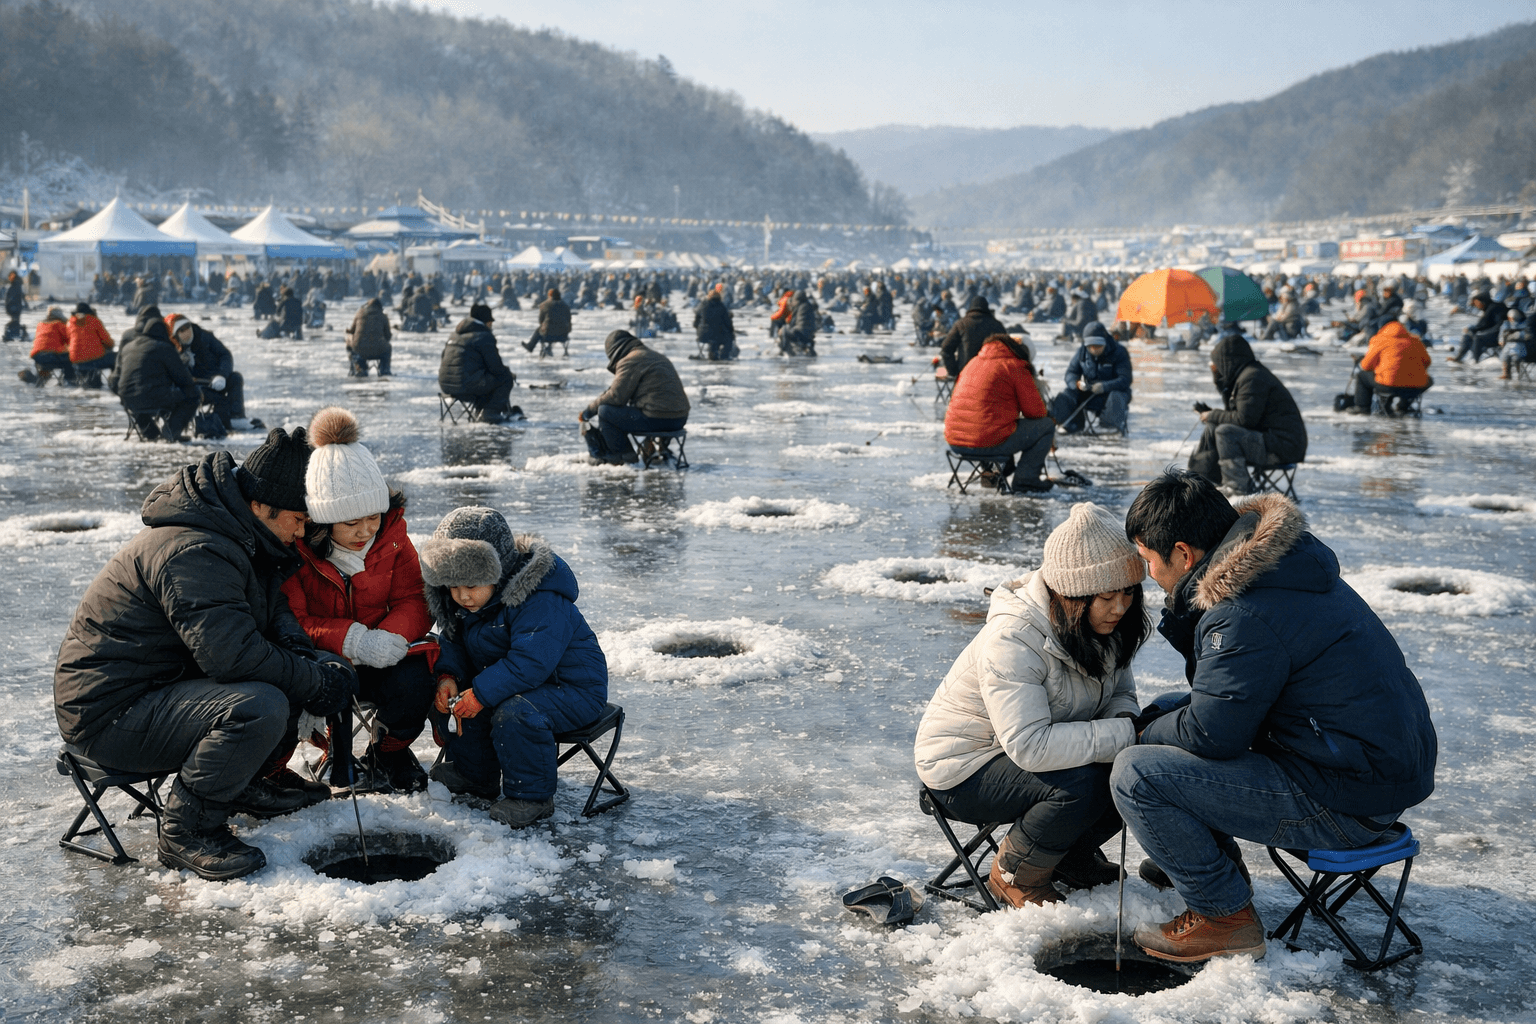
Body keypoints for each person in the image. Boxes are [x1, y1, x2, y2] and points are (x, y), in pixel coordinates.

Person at [1112, 473, 1437, 962]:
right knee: (1170, 709)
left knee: (1136, 772)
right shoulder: (1280, 568)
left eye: (1148, 560)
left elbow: (1211, 734)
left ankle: (1224, 916)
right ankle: (1204, 859)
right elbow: (1218, 699)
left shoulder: (1244, 611)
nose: (1148, 574)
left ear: (1183, 554)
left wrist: (1134, 732)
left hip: (1345, 800)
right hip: (1369, 772)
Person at [53, 429, 359, 880]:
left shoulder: (238, 533)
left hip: (164, 688)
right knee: (260, 704)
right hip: (109, 715)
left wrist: (308, 658)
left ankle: (247, 783)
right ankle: (187, 831)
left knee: (297, 667)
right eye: (297, 519)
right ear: (261, 505)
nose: (302, 532)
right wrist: (313, 682)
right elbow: (233, 657)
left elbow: (273, 613)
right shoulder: (196, 549)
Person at [915, 502, 1150, 907]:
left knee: (1134, 770)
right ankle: (1016, 872)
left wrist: (1126, 728)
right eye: (1108, 596)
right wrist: (1126, 733)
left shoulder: (1108, 626)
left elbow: (1121, 695)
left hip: (1025, 754)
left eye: (1128, 593)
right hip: (962, 767)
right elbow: (1030, 745)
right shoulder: (1014, 638)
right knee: (1084, 783)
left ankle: (1066, 854)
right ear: (1071, 596)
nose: (1120, 608)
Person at [420, 506, 609, 828]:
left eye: (472, 585)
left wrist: (480, 693)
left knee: (514, 711)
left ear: (500, 571)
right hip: (512, 685)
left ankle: (531, 797)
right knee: (462, 699)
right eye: (453, 586)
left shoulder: (541, 599)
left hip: (572, 690)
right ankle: (475, 774)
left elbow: (531, 662)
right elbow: (452, 640)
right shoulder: (469, 602)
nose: (462, 596)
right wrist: (448, 677)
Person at [278, 408, 433, 794]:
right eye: (351, 523)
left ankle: (389, 750)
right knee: (321, 679)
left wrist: (390, 638)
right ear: (322, 520)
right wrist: (351, 639)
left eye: (372, 517)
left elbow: (415, 598)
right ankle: (333, 752)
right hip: (324, 657)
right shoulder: (297, 549)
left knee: (416, 680)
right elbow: (292, 618)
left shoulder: (393, 538)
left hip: (383, 652)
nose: (365, 531)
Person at [1187, 334, 1306, 495]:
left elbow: (1243, 420)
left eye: (1219, 364)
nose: (1219, 367)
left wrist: (1213, 414)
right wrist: (1219, 381)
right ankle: (1203, 480)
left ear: (1228, 361)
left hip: (1282, 447)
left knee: (1225, 432)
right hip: (1276, 443)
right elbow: (1237, 415)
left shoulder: (1252, 378)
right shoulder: (1248, 374)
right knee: (1217, 426)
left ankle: (1236, 488)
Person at [944, 334, 1055, 494]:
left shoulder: (973, 362)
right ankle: (1026, 480)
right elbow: (1036, 413)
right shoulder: (1015, 366)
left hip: (956, 441)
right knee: (1046, 425)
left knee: (992, 424)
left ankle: (991, 472)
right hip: (987, 442)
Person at [581, 329, 690, 464]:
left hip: (658, 419)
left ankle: (622, 455)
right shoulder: (655, 356)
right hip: (679, 419)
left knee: (605, 411)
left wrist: (588, 411)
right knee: (635, 409)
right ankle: (660, 447)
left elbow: (616, 397)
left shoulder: (630, 360)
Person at [108, 306, 202, 443]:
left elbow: (116, 377)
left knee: (136, 394)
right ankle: (170, 431)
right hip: (154, 397)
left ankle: (150, 432)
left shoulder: (128, 345)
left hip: (128, 399)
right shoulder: (164, 348)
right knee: (193, 394)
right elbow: (184, 380)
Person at [164, 313, 258, 431]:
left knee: (235, 378)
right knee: (220, 400)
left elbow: (225, 354)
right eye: (181, 330)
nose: (187, 332)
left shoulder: (205, 337)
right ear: (175, 335)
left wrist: (222, 375)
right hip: (196, 387)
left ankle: (236, 417)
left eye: (188, 327)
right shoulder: (171, 349)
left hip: (215, 379)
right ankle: (221, 424)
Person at [439, 303, 519, 423]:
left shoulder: (454, 335)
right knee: (505, 377)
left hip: (446, 385)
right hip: (467, 386)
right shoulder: (484, 337)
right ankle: (489, 412)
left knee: (482, 379)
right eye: (491, 322)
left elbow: (443, 358)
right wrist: (509, 373)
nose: (491, 325)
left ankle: (482, 409)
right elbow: (496, 368)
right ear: (486, 322)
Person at [1049, 322, 1132, 434]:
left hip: (1111, 393)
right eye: (1091, 346)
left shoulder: (1119, 352)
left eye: (1098, 345)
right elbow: (1071, 373)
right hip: (1089, 391)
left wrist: (1104, 386)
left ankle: (1110, 426)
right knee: (1068, 393)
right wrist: (1077, 384)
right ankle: (1068, 423)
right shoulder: (1081, 352)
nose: (1094, 349)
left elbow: (1125, 379)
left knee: (1116, 396)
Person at [1353, 320, 1432, 414]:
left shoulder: (1380, 340)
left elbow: (1366, 366)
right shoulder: (1415, 341)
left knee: (1362, 376)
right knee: (1429, 380)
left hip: (1388, 385)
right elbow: (1427, 362)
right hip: (1415, 387)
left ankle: (1362, 408)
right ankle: (1404, 405)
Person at [940, 296, 1008, 377]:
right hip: (992, 376)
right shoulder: (997, 325)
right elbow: (1007, 352)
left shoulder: (961, 324)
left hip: (965, 375)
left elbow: (946, 348)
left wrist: (954, 371)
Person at [1447, 291, 1508, 364]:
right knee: (1472, 333)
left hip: (1499, 335)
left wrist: (1472, 329)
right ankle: (1461, 357)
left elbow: (1483, 324)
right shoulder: (1492, 306)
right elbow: (1484, 324)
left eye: (1476, 303)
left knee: (1476, 337)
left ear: (1482, 301)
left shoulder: (1491, 308)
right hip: (1497, 332)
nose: (1476, 305)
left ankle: (1475, 361)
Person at [19, 307, 74, 385]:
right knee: (69, 361)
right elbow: (70, 340)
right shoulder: (59, 324)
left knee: (45, 365)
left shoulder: (40, 324)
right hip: (51, 355)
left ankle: (36, 378)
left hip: (37, 356)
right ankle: (69, 381)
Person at [66, 302, 115, 388]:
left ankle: (91, 380)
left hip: (76, 361)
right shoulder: (94, 321)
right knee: (116, 358)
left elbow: (68, 341)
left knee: (95, 355)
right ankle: (115, 383)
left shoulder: (69, 323)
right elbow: (108, 342)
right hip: (93, 361)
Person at [346, 296, 393, 377]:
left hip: (360, 349)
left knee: (349, 342)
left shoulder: (359, 313)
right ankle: (385, 369)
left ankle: (359, 366)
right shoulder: (383, 316)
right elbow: (388, 336)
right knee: (388, 347)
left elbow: (352, 331)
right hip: (378, 350)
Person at [694, 283, 736, 360]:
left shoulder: (702, 304)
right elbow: (728, 323)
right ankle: (724, 356)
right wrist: (731, 331)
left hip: (702, 336)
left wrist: (698, 329)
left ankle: (713, 351)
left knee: (715, 336)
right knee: (729, 339)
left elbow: (695, 321)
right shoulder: (721, 306)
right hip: (717, 335)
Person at [527, 287, 572, 355]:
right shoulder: (565, 306)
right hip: (563, 335)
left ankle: (530, 346)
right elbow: (568, 319)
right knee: (550, 327)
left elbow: (541, 320)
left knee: (540, 329)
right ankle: (549, 348)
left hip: (548, 335)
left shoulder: (544, 304)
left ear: (550, 296)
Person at [779, 289, 818, 357]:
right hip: (810, 334)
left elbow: (794, 323)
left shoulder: (799, 307)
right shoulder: (808, 305)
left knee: (784, 330)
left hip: (801, 333)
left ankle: (785, 351)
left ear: (797, 299)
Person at [3, 269, 24, 341]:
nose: (9, 277)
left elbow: (15, 297)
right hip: (14, 307)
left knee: (15, 321)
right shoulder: (15, 285)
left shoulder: (16, 285)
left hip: (14, 307)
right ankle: (15, 334)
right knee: (15, 321)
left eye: (11, 275)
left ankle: (13, 334)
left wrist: (9, 305)